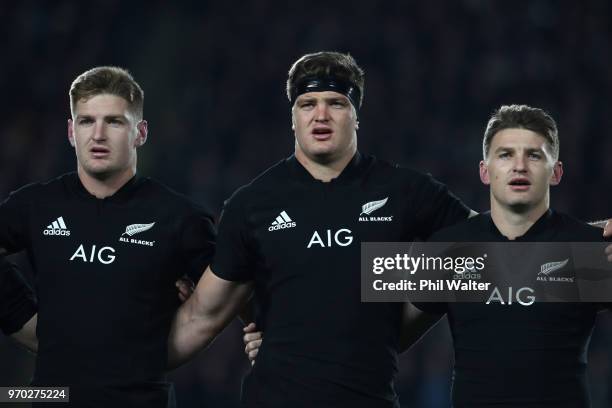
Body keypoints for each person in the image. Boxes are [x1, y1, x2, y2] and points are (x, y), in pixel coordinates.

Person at [169, 51, 476, 408]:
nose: (321, 115)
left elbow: (490, 252)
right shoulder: (252, 204)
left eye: (336, 102)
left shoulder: (404, 191)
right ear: (293, 118)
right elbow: (199, 317)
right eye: (307, 103)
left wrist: (404, 315)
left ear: (356, 115)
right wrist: (118, 367)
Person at [0, 66, 216, 407]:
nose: (98, 134)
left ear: (140, 132)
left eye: (114, 122)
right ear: (71, 131)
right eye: (86, 121)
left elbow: (230, 289)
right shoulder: (34, 205)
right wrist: (24, 319)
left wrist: (197, 310)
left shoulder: (180, 218)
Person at [410, 105, 611, 407]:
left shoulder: (592, 250)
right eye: (505, 155)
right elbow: (383, 338)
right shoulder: (451, 248)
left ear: (555, 172)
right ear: (484, 171)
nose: (519, 166)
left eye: (534, 155)